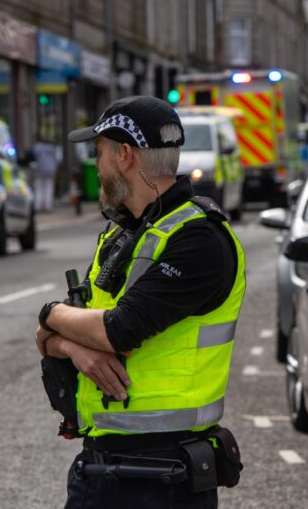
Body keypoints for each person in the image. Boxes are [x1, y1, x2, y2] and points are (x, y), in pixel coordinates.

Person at [35, 96, 246, 509]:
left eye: (99, 154)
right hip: (103, 467)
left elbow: (119, 330)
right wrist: (73, 346)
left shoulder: (199, 240)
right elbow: (60, 334)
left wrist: (48, 314)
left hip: (161, 478)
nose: (96, 166)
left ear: (125, 155)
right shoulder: (122, 235)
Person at [31, 134, 61, 212]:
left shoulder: (37, 147)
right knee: (49, 187)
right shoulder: (53, 148)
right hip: (50, 169)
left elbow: (33, 156)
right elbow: (57, 159)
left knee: (39, 187)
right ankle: (47, 205)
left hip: (40, 169)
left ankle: (38, 205)